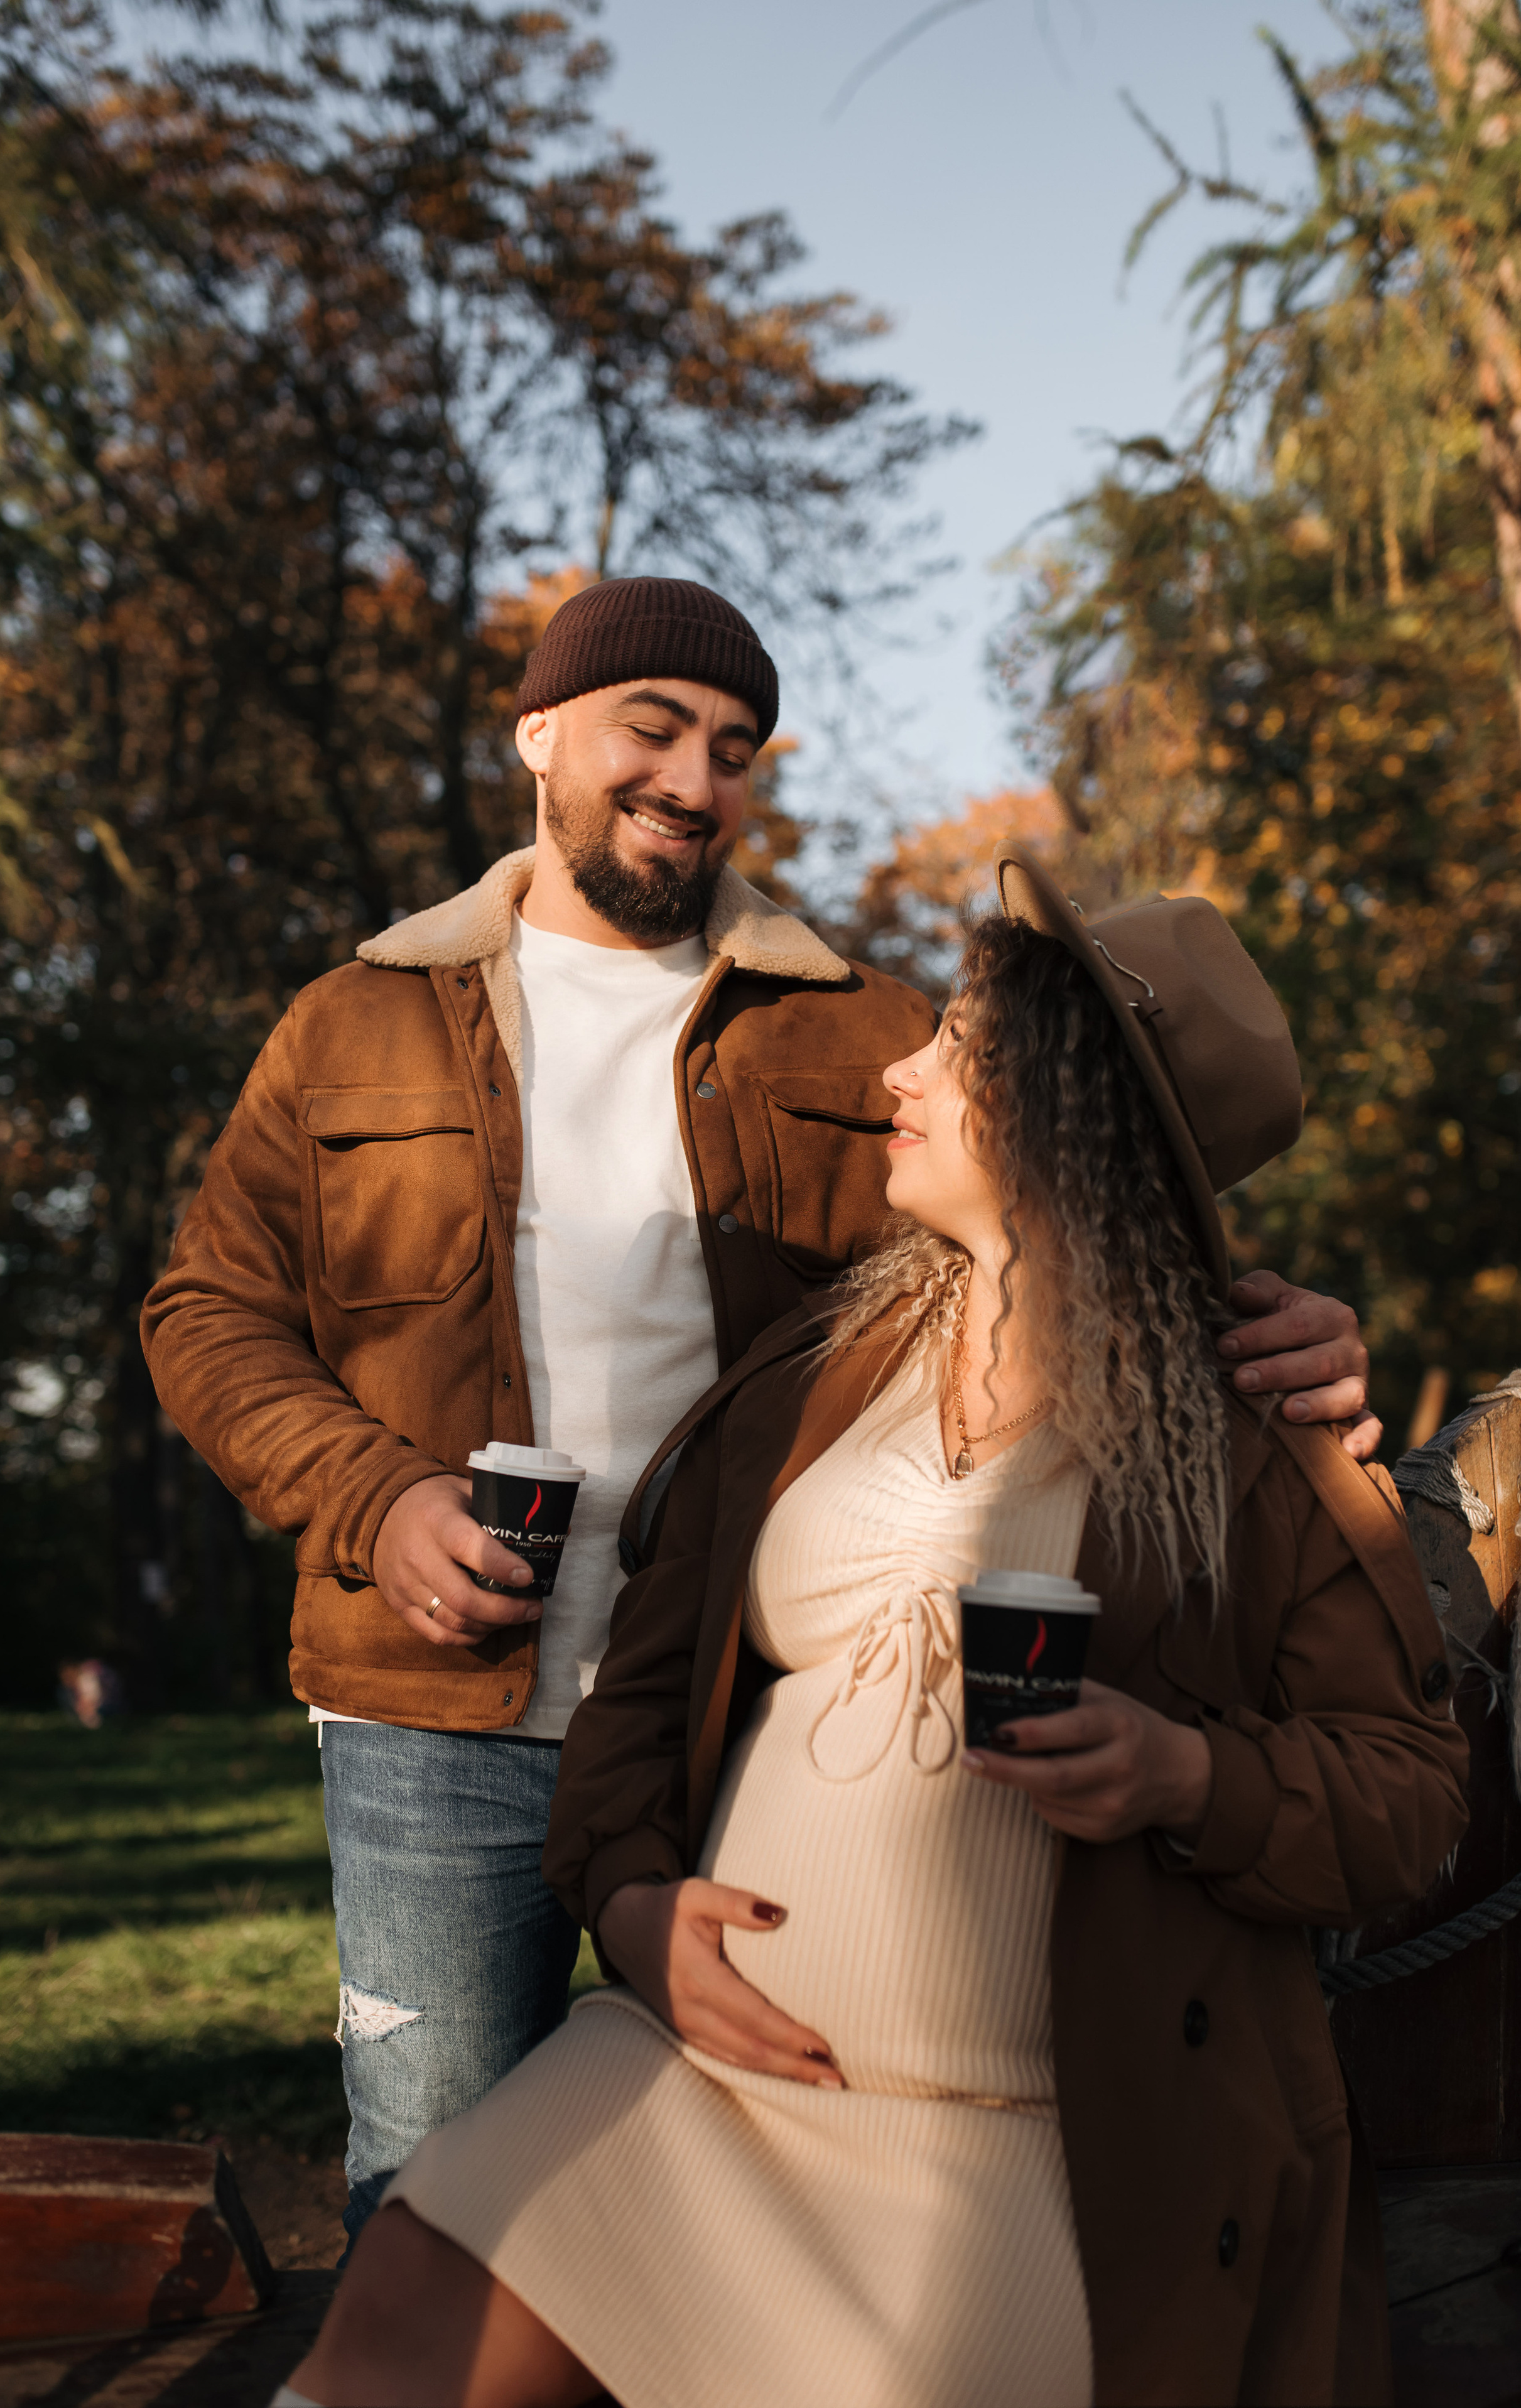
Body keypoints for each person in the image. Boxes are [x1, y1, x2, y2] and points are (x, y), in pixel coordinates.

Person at [143, 578, 1375, 2256]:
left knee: (754, 2183)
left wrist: (1274, 1316)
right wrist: (375, 1501)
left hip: (748, 1704)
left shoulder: (858, 1027)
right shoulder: (354, 1016)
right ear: (539, 735)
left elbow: (1064, 1227)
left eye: (734, 748)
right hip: (433, 1722)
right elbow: (205, 1311)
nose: (695, 779)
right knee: (425, 2195)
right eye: (652, 727)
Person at [283, 849, 1467, 2408]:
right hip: (701, 2081)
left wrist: (1186, 1777)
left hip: (1035, 2146)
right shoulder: (817, 1365)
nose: (902, 1065)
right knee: (406, 2308)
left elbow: (1408, 1804)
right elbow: (640, 1698)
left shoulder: (1253, 1433)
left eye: (962, 1053)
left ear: (1074, 1117)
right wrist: (634, 1906)